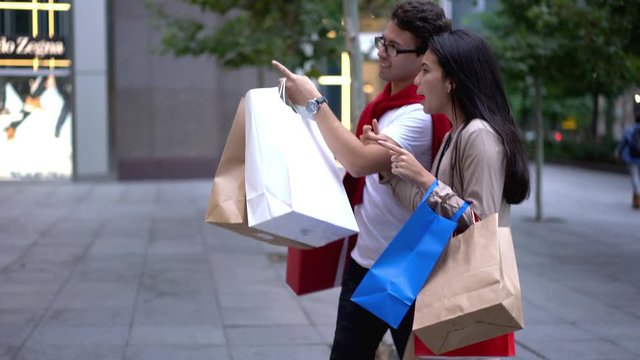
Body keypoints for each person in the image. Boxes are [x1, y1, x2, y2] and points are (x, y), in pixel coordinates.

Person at [272, 1, 451, 358]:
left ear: (424, 57)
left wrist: (314, 103)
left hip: (406, 266)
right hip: (367, 259)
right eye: (382, 42)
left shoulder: (418, 114)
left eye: (394, 47)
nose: (383, 53)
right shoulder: (384, 105)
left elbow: (357, 163)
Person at [365, 29, 531, 359]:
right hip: (443, 292)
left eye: (426, 70)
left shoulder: (479, 135)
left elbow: (477, 221)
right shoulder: (455, 136)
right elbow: (433, 212)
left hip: (468, 295)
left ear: (452, 80)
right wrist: (392, 169)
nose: (417, 82)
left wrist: (425, 179)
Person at [616, 112, 640, 209]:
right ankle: (636, 199)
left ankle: (637, 197)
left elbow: (623, 143)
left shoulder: (630, 129)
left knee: (635, 177)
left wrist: (618, 152)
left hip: (632, 157)